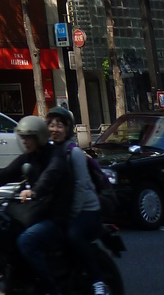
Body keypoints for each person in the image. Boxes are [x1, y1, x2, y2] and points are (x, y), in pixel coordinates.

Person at [0, 114, 72, 295]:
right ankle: (11, 277)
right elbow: (5, 173)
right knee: (0, 230)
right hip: (38, 212)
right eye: (23, 137)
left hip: (56, 217)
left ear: (39, 137)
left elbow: (50, 176)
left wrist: (34, 191)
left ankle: (51, 290)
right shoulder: (28, 157)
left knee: (26, 241)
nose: (25, 141)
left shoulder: (55, 156)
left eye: (29, 137)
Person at [46, 106, 107, 295]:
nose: (55, 129)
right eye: (51, 125)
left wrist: (71, 215)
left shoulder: (75, 153)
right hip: (64, 209)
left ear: (68, 129)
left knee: (73, 235)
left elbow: (81, 187)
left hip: (87, 210)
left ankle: (98, 282)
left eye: (60, 126)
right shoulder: (49, 151)